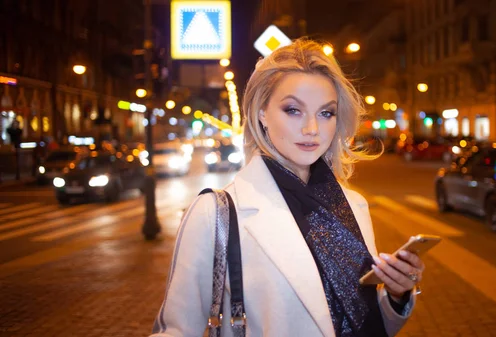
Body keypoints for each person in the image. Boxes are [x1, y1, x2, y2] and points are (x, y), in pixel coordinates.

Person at [151, 39, 425, 337]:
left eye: (326, 113)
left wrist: (397, 295)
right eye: (293, 110)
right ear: (261, 113)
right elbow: (176, 330)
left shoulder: (353, 204)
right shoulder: (216, 213)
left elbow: (364, 321)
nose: (312, 129)